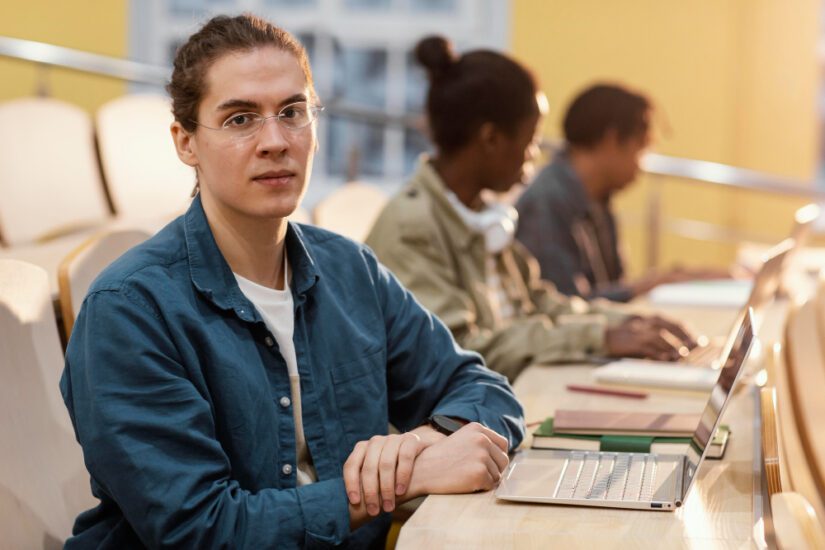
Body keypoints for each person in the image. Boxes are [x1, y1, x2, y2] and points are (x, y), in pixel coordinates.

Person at [60, 15, 523, 549]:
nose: (276, 141)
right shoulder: (130, 309)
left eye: (293, 112)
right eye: (240, 120)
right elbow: (202, 530)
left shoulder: (352, 270)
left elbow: (487, 391)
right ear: (185, 142)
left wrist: (422, 440)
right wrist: (407, 479)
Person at [365, 37, 696, 382]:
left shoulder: (480, 213)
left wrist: (625, 323)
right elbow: (461, 350)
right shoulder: (413, 227)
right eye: (532, 140)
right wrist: (599, 338)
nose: (535, 155)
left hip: (503, 395)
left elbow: (539, 303)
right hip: (447, 423)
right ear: (491, 139)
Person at [515, 83, 724, 302]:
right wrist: (650, 284)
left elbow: (614, 286)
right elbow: (564, 306)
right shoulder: (548, 201)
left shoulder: (597, 196)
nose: (642, 165)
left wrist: (680, 277)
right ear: (612, 140)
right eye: (642, 147)